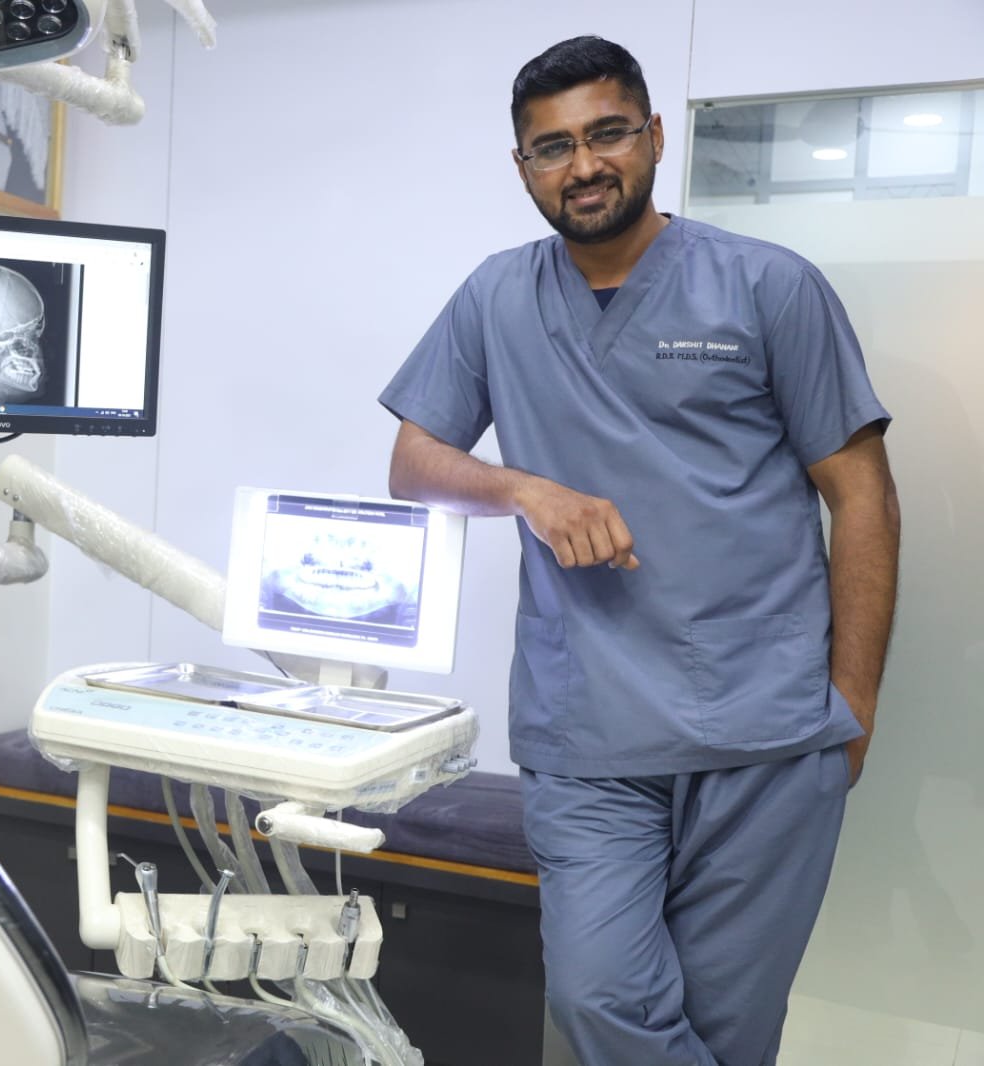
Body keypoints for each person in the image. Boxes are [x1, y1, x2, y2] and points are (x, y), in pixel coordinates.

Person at [378, 36, 901, 1066]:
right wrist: (523, 489)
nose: (583, 165)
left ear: (655, 136)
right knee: (598, 995)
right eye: (553, 147)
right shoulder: (496, 296)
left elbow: (863, 496)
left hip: (764, 733)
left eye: (607, 133)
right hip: (589, 737)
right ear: (523, 166)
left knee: (728, 1031)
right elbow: (414, 462)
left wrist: (853, 704)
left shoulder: (769, 286)